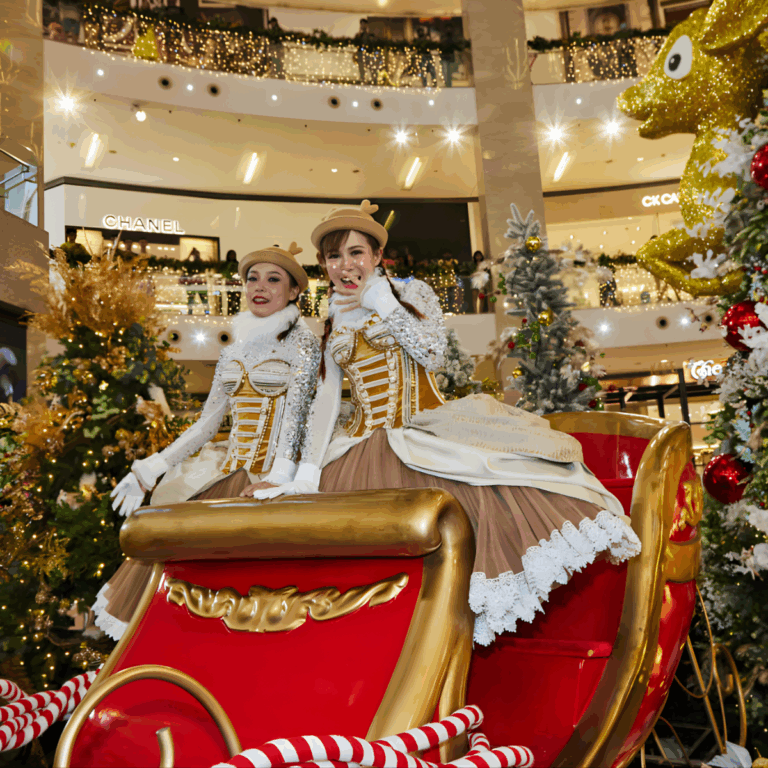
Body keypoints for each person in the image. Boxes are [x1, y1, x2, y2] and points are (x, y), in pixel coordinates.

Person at [250, 201, 641, 647]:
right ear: (323, 264)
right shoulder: (332, 316)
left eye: (356, 252)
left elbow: (434, 355)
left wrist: (385, 304)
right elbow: (324, 402)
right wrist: (303, 474)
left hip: (423, 429)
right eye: (334, 256)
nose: (345, 265)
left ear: (377, 255)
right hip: (360, 446)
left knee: (480, 501)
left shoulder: (411, 293)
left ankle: (452, 633)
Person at [94, 243, 321, 641]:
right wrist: (151, 468)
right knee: (183, 578)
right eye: (252, 278)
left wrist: (278, 478)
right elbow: (205, 426)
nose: (260, 287)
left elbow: (297, 418)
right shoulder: (234, 349)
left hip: (273, 482)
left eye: (273, 279)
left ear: (294, 291)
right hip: (228, 473)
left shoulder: (303, 343)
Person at [471, 249, 492, 313]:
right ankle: (476, 311)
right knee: (475, 297)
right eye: (477, 256)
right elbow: (471, 273)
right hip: (475, 281)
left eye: (479, 255)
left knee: (483, 296)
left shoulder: (485, 263)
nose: (478, 257)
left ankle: (484, 310)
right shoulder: (473, 265)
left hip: (483, 281)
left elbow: (487, 270)